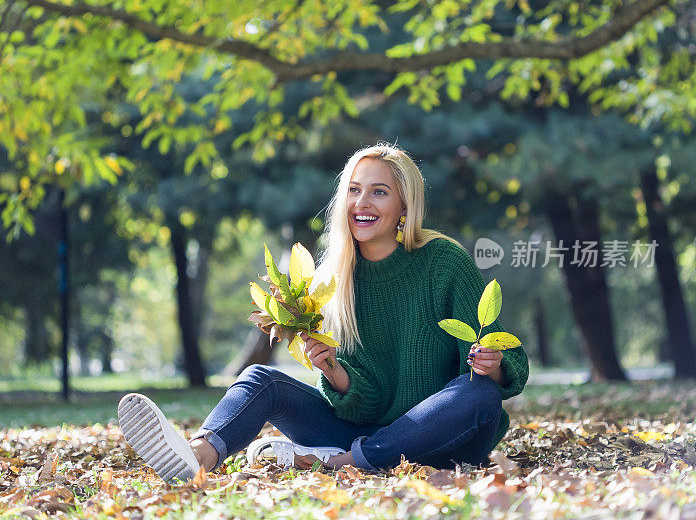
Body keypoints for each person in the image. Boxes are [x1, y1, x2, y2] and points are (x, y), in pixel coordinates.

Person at [118, 143, 529, 481]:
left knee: (481, 395)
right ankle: (198, 456)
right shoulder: (335, 278)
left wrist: (491, 366)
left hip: (442, 436)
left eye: (379, 192)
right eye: (353, 190)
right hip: (362, 431)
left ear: (406, 203)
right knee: (262, 379)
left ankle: (336, 463)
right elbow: (363, 405)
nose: (361, 203)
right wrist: (334, 371)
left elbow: (507, 356)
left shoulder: (444, 262)